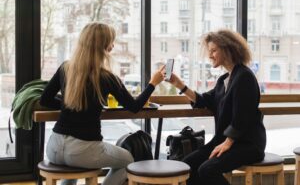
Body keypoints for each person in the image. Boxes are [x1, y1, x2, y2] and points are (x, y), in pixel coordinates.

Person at [40, 22, 165, 185]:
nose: (113, 45)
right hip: (82, 151)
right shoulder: (107, 77)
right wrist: (153, 83)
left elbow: (45, 100)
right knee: (128, 160)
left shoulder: (65, 68)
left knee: (74, 166)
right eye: (111, 41)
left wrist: (69, 104)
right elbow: (134, 107)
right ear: (106, 46)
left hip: (54, 147)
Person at [167, 29, 266, 185]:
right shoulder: (223, 80)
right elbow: (203, 100)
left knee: (207, 170)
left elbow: (242, 116)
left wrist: (227, 143)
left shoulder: (244, 76)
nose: (210, 55)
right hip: (226, 141)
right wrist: (179, 84)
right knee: (188, 164)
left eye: (214, 50)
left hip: (247, 144)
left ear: (227, 50)